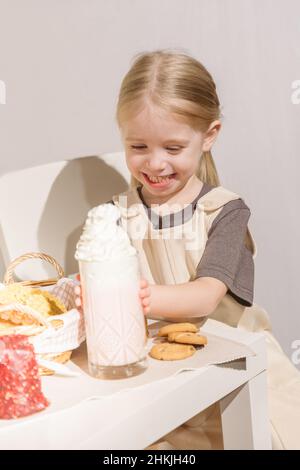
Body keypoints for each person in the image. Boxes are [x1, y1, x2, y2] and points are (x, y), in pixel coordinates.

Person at [76, 49, 300, 450]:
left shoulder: (225, 212)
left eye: (173, 148)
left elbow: (205, 295)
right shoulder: (114, 216)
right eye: (138, 146)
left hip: (238, 366)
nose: (155, 163)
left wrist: (135, 296)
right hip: (163, 371)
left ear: (208, 136)